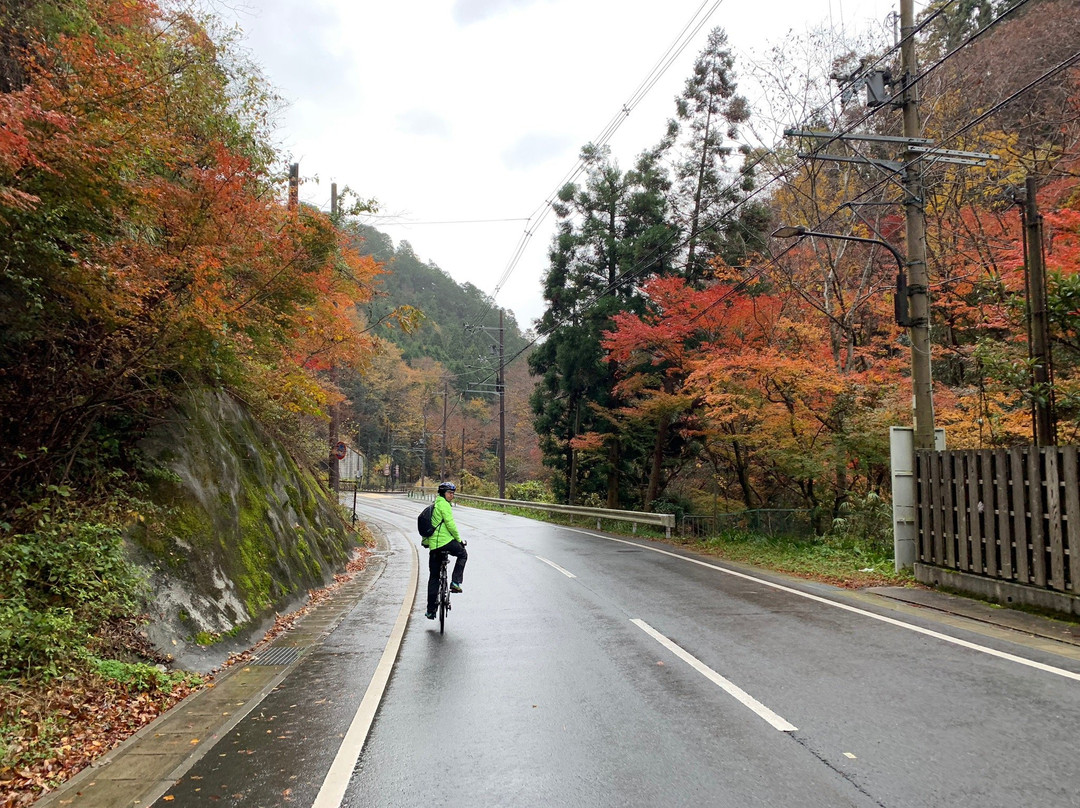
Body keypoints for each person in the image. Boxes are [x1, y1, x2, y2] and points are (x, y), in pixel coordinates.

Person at [426, 481, 467, 619]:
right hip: (446, 542)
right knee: (463, 554)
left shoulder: (434, 506)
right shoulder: (444, 505)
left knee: (433, 577)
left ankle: (431, 610)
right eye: (450, 493)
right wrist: (459, 540)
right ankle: (455, 583)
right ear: (443, 494)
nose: (452, 496)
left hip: (434, 546)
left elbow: (428, 527)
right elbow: (450, 525)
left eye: (453, 493)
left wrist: (427, 543)